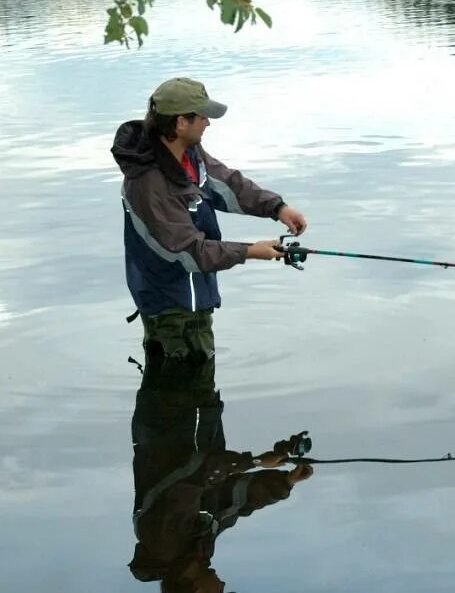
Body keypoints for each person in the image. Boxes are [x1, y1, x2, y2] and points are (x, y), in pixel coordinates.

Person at [111, 77, 307, 361]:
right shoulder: (150, 183)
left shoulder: (188, 153)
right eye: (202, 117)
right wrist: (252, 251)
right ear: (180, 123)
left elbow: (227, 184)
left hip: (190, 297)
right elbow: (191, 252)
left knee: (176, 396)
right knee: (192, 393)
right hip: (174, 309)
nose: (208, 123)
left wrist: (277, 208)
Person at [127, 350, 313, 591]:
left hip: (171, 412)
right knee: (193, 339)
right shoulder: (198, 550)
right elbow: (234, 501)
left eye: (220, 592)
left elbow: (193, 475)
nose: (223, 585)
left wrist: (255, 462)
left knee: (180, 330)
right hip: (196, 411)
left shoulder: (162, 540)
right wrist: (286, 482)